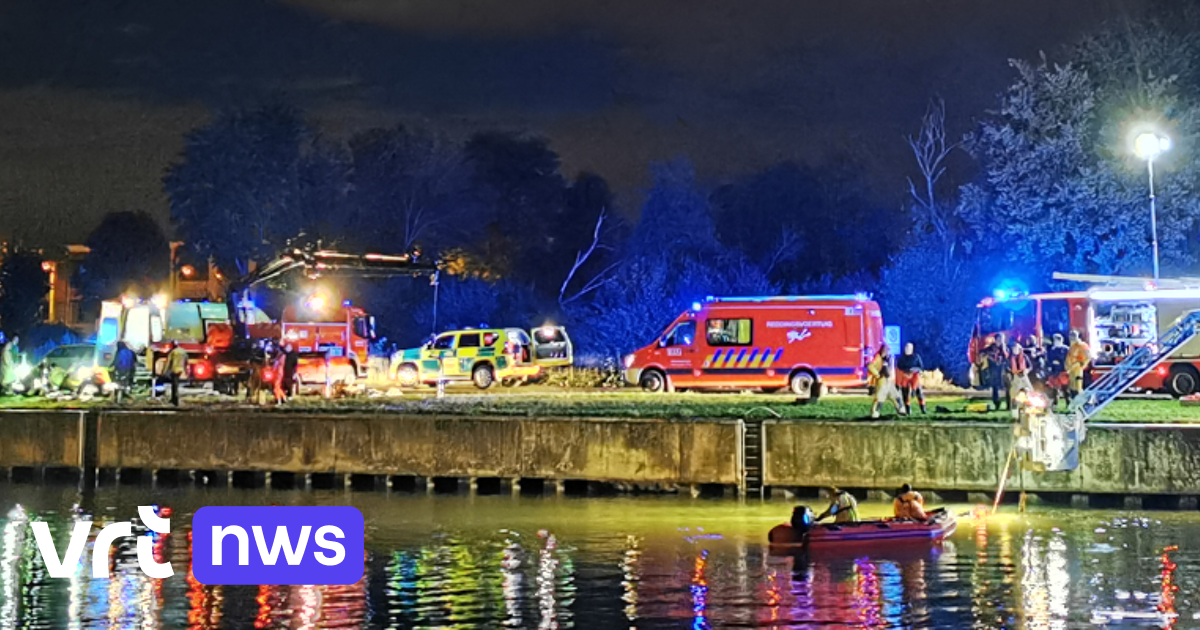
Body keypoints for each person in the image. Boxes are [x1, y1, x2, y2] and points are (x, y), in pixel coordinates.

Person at [867, 345, 906, 419]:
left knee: (895, 395)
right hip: (882, 380)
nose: (887, 352)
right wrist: (877, 375)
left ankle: (900, 409)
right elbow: (870, 366)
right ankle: (875, 412)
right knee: (880, 397)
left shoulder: (887, 358)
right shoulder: (877, 358)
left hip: (888, 380)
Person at [895, 342, 927, 414]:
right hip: (904, 377)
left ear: (912, 349)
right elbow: (898, 369)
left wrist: (915, 370)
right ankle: (908, 409)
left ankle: (923, 408)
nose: (907, 349)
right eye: (906, 347)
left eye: (909, 347)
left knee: (919, 393)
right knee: (905, 394)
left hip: (914, 377)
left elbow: (921, 367)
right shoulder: (901, 358)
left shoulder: (916, 357)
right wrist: (897, 383)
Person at [984, 333, 1010, 411]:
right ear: (995, 339)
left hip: (1003, 371)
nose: (1000, 341)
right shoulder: (990, 348)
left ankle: (1008, 405)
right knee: (995, 388)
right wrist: (991, 357)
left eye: (1001, 339)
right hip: (994, 371)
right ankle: (996, 404)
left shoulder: (1006, 348)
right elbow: (984, 353)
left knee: (1007, 388)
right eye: (999, 339)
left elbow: (1008, 357)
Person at [1008, 342, 1033, 417]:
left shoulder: (1024, 356)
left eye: (1016, 348)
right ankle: (1015, 411)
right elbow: (1008, 367)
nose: (1014, 350)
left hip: (1024, 376)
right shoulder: (1010, 357)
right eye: (1013, 348)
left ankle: (1030, 408)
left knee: (1030, 391)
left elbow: (1030, 366)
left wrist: (1027, 370)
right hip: (1016, 376)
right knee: (1014, 393)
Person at [1046, 333, 1069, 407]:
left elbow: (1067, 359)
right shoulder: (1052, 349)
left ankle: (1068, 402)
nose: (1055, 342)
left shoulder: (1065, 349)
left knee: (1065, 388)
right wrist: (1050, 365)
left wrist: (1060, 361)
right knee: (1054, 388)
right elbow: (1049, 358)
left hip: (1063, 371)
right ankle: (1055, 402)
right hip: (1054, 371)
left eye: (1056, 340)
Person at [1066, 330, 1090, 398]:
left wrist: (1081, 364)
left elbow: (1088, 356)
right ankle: (1074, 402)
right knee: (1072, 387)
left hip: (1078, 369)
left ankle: (1082, 401)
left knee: (1078, 386)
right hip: (1071, 369)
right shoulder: (1072, 346)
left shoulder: (1082, 345)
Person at [166, 341, 189, 406]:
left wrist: (165, 371)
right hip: (180, 369)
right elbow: (186, 361)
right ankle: (174, 399)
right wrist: (186, 371)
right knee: (175, 384)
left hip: (174, 369)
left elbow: (169, 362)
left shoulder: (172, 352)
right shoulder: (183, 351)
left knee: (174, 385)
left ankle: (174, 400)